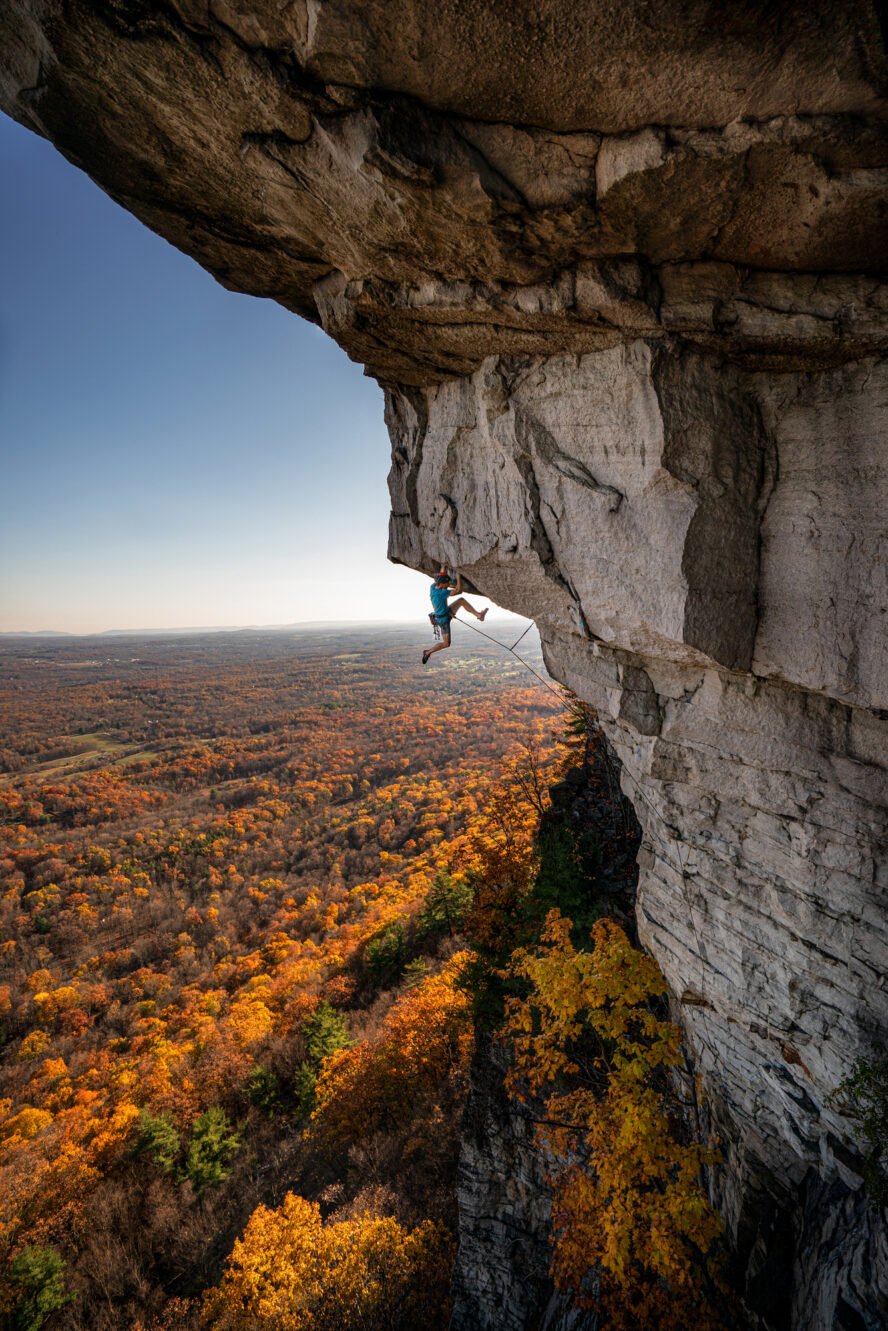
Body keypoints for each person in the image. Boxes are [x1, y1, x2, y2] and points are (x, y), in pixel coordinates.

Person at [422, 569, 488, 664]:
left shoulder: (433, 587)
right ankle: (427, 652)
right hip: (442, 620)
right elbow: (459, 590)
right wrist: (459, 575)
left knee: (461, 601)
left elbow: (441, 575)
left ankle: (479, 616)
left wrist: (443, 566)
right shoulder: (441, 593)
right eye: (447, 584)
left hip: (444, 612)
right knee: (446, 644)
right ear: (441, 584)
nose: (448, 585)